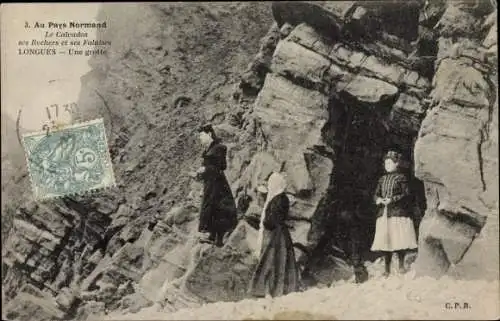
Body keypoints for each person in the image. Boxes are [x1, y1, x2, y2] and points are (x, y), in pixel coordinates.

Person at [248, 172, 300, 298]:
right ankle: (278, 288)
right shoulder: (280, 198)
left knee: (274, 261)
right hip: (279, 233)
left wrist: (267, 223)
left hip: (276, 235)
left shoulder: (278, 199)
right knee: (280, 261)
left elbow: (272, 219)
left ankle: (272, 289)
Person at [371, 150, 418, 277]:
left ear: (396, 164)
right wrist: (379, 200)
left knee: (398, 239)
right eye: (386, 163)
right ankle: (387, 269)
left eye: (390, 163)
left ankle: (401, 265)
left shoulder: (401, 178)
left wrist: (392, 199)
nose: (387, 165)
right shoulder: (382, 179)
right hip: (385, 213)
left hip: (397, 212)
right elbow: (376, 194)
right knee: (386, 240)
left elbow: (406, 194)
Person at [195, 124, 237, 247]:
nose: (200, 139)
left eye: (201, 135)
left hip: (217, 184)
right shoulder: (208, 150)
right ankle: (212, 235)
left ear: (209, 134)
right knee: (212, 208)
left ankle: (214, 235)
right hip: (210, 184)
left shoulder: (219, 148)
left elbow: (221, 166)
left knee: (217, 208)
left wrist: (205, 169)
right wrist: (199, 174)